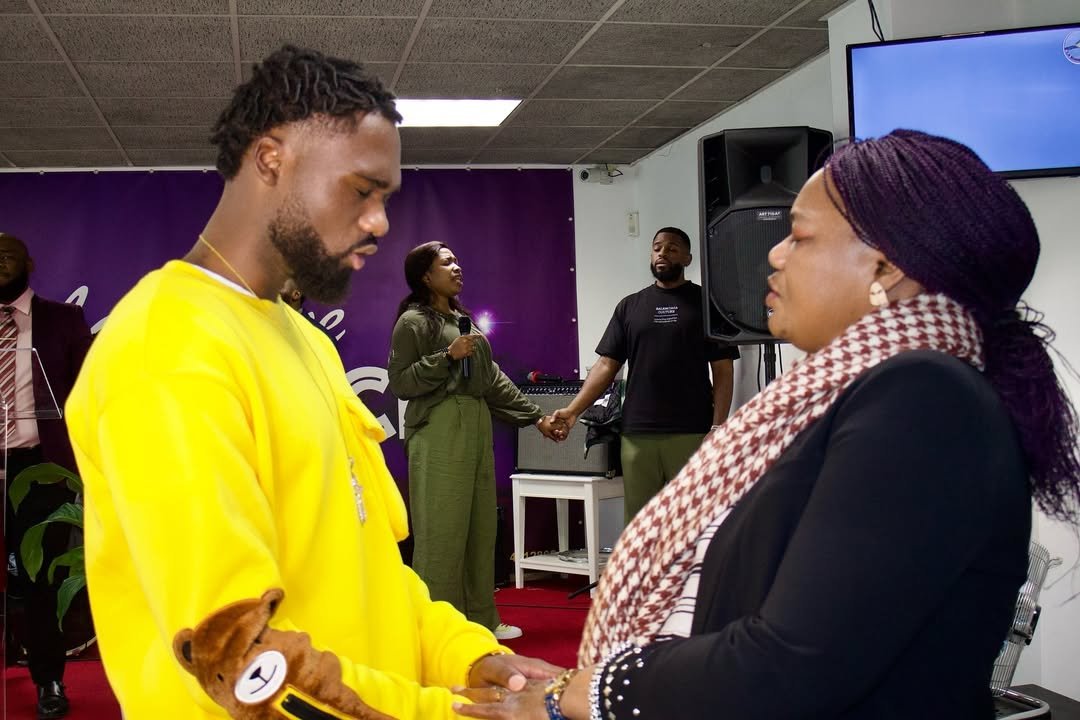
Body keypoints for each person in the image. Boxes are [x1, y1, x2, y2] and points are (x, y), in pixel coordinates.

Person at [454, 130, 1080, 719]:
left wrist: (582, 694)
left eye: (800, 237)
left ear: (887, 269)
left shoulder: (925, 399)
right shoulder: (844, 402)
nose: (774, 255)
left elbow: (791, 665)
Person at [64, 46, 560, 720]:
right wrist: (449, 712)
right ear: (272, 159)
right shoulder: (166, 347)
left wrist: (473, 659)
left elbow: (373, 575)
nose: (381, 222)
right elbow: (242, 666)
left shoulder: (306, 341)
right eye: (361, 190)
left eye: (386, 198)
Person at [388, 241, 566, 641]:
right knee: (442, 531)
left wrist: (537, 417)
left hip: (475, 425)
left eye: (457, 260)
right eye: (446, 262)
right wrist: (446, 358)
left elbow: (493, 380)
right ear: (425, 276)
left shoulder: (463, 321)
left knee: (480, 527)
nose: (457, 267)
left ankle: (482, 620)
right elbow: (400, 382)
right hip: (437, 431)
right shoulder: (413, 323)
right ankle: (438, 629)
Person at [554, 227, 739, 525]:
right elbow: (606, 365)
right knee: (639, 524)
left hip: (692, 432)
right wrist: (574, 410)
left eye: (672, 248)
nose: (662, 252)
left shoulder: (707, 304)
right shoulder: (630, 306)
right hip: (638, 434)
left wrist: (718, 426)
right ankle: (641, 574)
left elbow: (723, 370)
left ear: (688, 258)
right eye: (657, 247)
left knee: (692, 522)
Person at [0, 232, 92, 720]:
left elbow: (87, 394)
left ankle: (49, 679)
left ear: (29, 262)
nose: (0, 260)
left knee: (39, 578)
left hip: (40, 469)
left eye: (8, 252)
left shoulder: (63, 320)